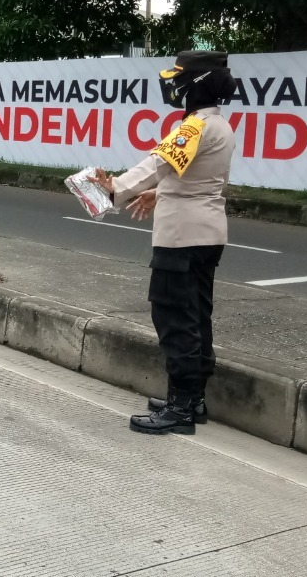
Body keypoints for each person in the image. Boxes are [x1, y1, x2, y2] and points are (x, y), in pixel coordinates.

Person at [88, 50, 236, 436]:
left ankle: (180, 407)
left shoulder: (194, 127)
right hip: (207, 232)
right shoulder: (218, 125)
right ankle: (194, 396)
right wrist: (161, 193)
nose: (173, 85)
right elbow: (202, 179)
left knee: (174, 317)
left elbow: (158, 163)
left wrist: (115, 186)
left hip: (181, 237)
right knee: (197, 315)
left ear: (196, 83)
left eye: (179, 78)